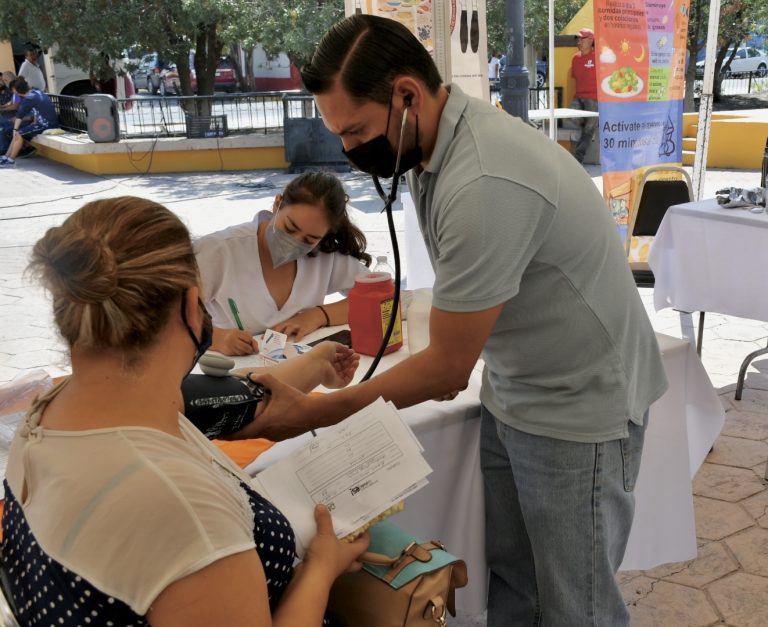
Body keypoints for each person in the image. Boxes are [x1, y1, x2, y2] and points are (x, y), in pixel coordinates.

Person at [239, 14, 668, 627]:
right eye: (339, 134)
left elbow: (445, 368)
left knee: (579, 607)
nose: (349, 150)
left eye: (356, 130)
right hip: (517, 390)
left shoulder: (485, 177)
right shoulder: (432, 151)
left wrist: (311, 411)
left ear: (407, 96)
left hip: (581, 407)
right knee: (517, 585)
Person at [2, 195, 369, 626]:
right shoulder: (182, 514)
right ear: (192, 304)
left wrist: (310, 370)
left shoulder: (48, 413)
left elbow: (217, 396)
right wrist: (319, 572)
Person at [195, 171, 371, 355]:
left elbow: (388, 300)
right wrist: (216, 337)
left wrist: (318, 315)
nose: (295, 241)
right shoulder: (219, 251)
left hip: (296, 371)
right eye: (290, 227)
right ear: (277, 204)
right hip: (226, 372)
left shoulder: (324, 256)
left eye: (310, 239)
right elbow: (164, 316)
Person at [0, 77, 58, 166]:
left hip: (47, 125)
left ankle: (10, 160)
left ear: (16, 91)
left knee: (17, 134)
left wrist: (15, 130)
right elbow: (38, 109)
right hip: (44, 123)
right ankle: (6, 156)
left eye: (14, 91)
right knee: (17, 133)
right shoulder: (35, 92)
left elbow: (19, 116)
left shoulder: (29, 99)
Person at [570, 27, 599, 164]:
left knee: (588, 129)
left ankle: (577, 159)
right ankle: (589, 128)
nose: (579, 42)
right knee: (572, 120)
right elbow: (575, 76)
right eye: (578, 39)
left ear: (590, 40)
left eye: (582, 39)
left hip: (593, 98)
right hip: (578, 97)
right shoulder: (575, 58)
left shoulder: (598, 58)